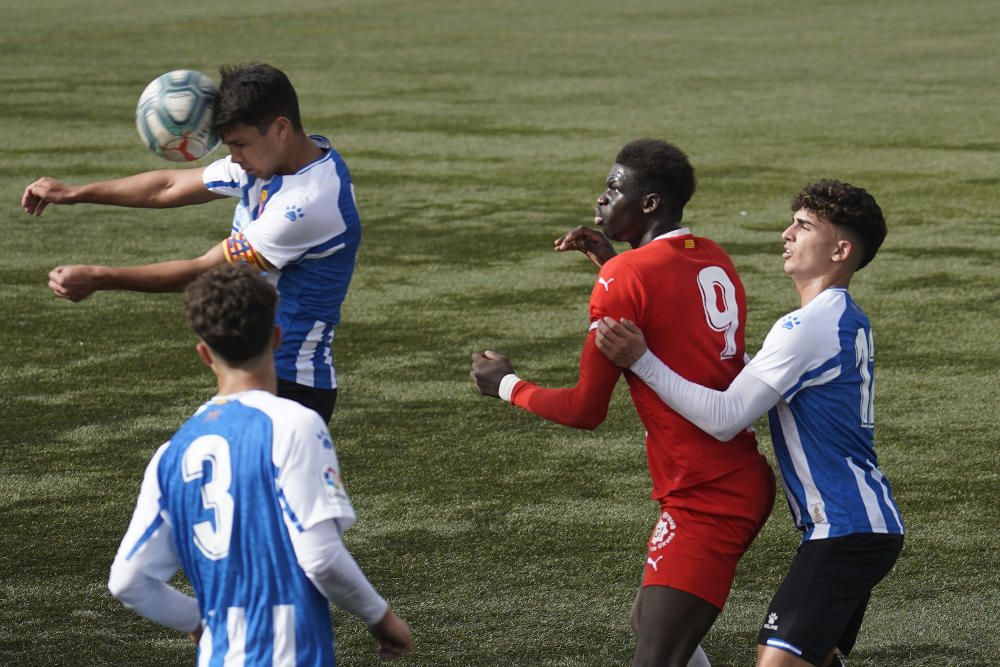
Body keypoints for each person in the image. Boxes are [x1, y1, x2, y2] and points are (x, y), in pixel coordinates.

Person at [470, 139, 775, 667]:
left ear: (650, 204)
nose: (600, 200)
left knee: (654, 656)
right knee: (651, 626)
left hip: (707, 492)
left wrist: (505, 384)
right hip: (732, 474)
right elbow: (672, 320)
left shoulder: (626, 278)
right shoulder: (712, 255)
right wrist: (611, 262)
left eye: (614, 190)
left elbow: (586, 409)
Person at [594, 179, 903, 667]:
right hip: (859, 524)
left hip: (844, 530)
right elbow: (732, 371)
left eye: (803, 227)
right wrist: (621, 269)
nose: (786, 234)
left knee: (776, 662)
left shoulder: (806, 327)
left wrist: (641, 359)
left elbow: (724, 416)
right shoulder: (842, 317)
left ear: (841, 249)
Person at [21, 62, 360, 422]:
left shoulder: (308, 203)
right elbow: (168, 186)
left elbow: (203, 271)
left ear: (280, 128)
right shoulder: (273, 160)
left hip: (292, 386)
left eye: (240, 145)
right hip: (256, 371)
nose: (235, 158)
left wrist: (101, 277)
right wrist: (76, 192)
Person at [107, 264, 411, 664]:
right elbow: (320, 557)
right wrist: (380, 617)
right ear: (277, 338)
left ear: (203, 354)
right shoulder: (293, 424)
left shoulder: (172, 452)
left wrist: (199, 622)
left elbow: (128, 581)